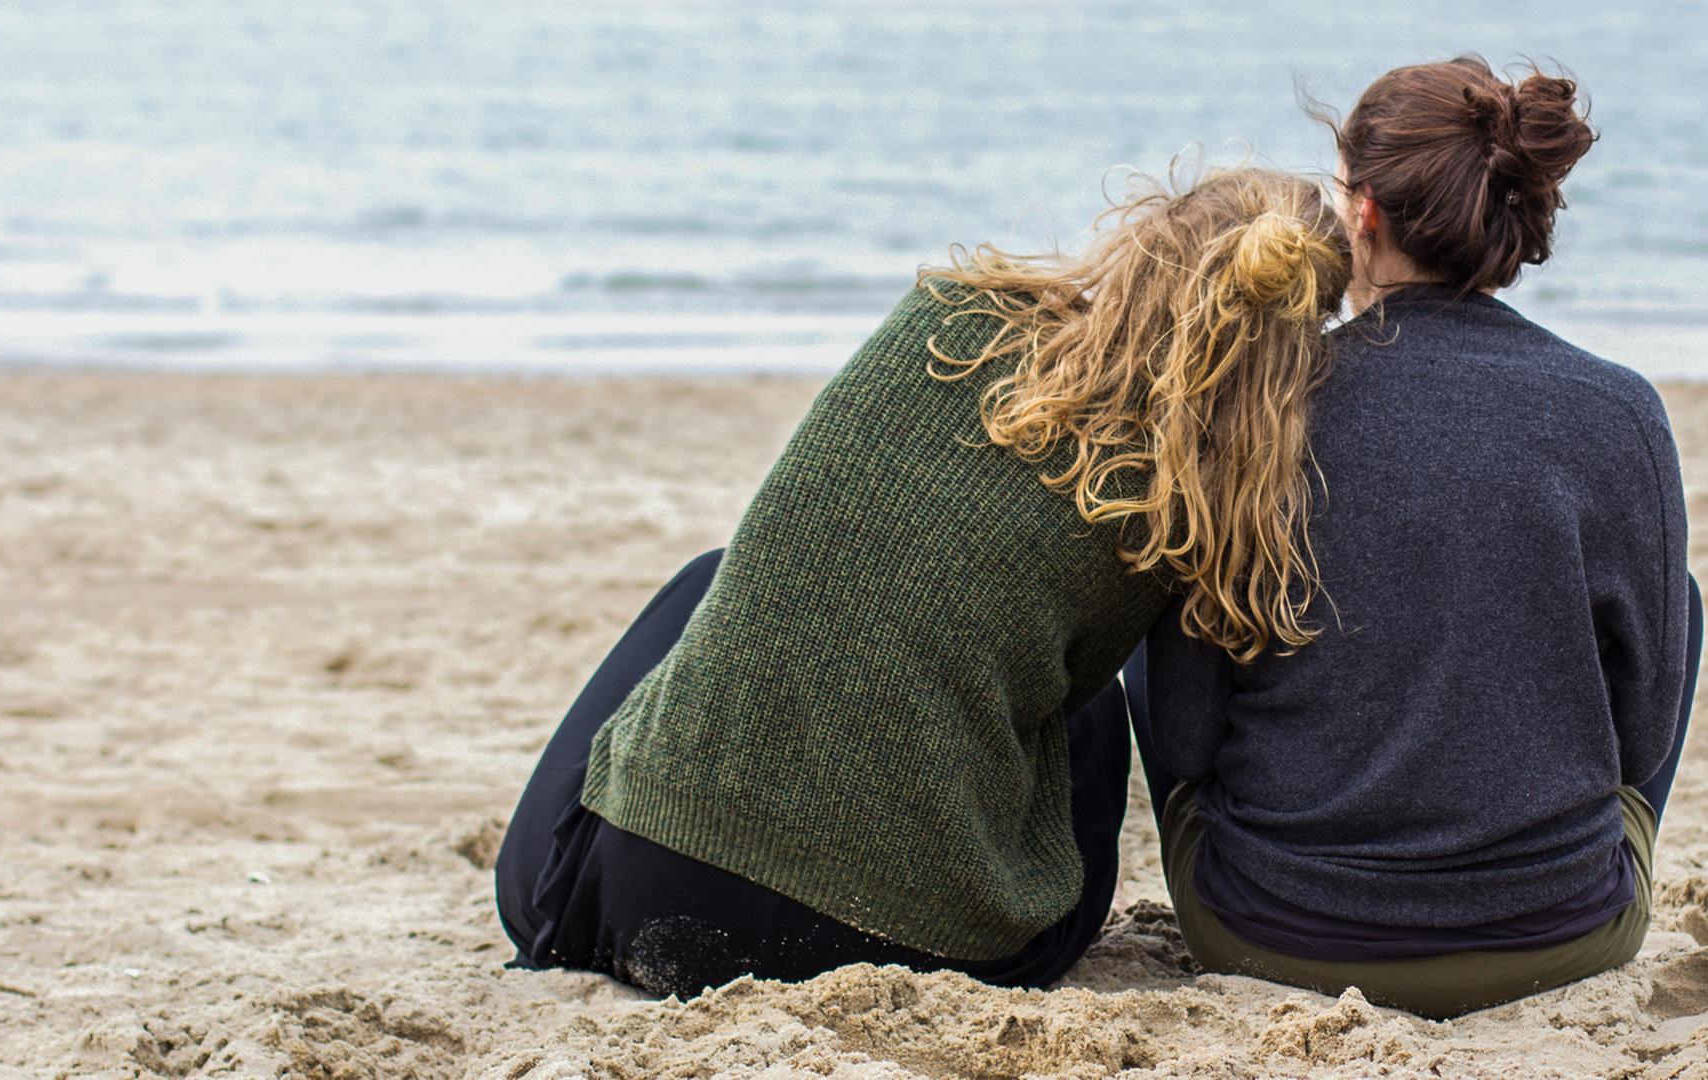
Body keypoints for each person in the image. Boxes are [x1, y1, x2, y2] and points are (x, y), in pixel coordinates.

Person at [495, 166, 1352, 997]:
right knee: (1081, 711)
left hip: (634, 903)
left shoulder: (945, 316)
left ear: (1149, 237)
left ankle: (641, 823)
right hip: (892, 947)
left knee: (714, 578)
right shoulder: (1185, 505)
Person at [1130, 56, 1703, 1020]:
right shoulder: (1620, 410)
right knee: (1672, 601)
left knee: (1166, 582)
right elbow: (1637, 741)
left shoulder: (1262, 408)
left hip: (1268, 927)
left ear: (1362, 213)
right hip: (1558, 933)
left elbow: (1187, 736)